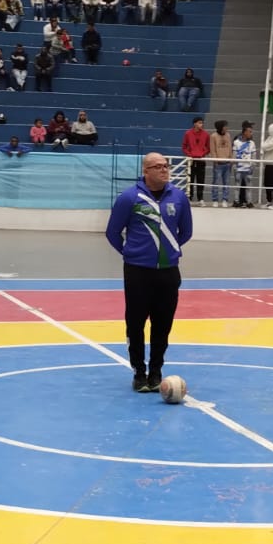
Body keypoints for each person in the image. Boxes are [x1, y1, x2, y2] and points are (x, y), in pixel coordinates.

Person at [105, 152, 192, 393]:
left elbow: (185, 232)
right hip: (137, 272)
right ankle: (138, 372)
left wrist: (167, 252)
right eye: (158, 167)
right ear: (146, 171)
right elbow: (113, 232)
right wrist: (131, 252)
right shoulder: (129, 198)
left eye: (166, 166)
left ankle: (156, 372)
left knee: (163, 324)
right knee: (135, 323)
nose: (164, 170)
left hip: (168, 272)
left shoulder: (179, 197)